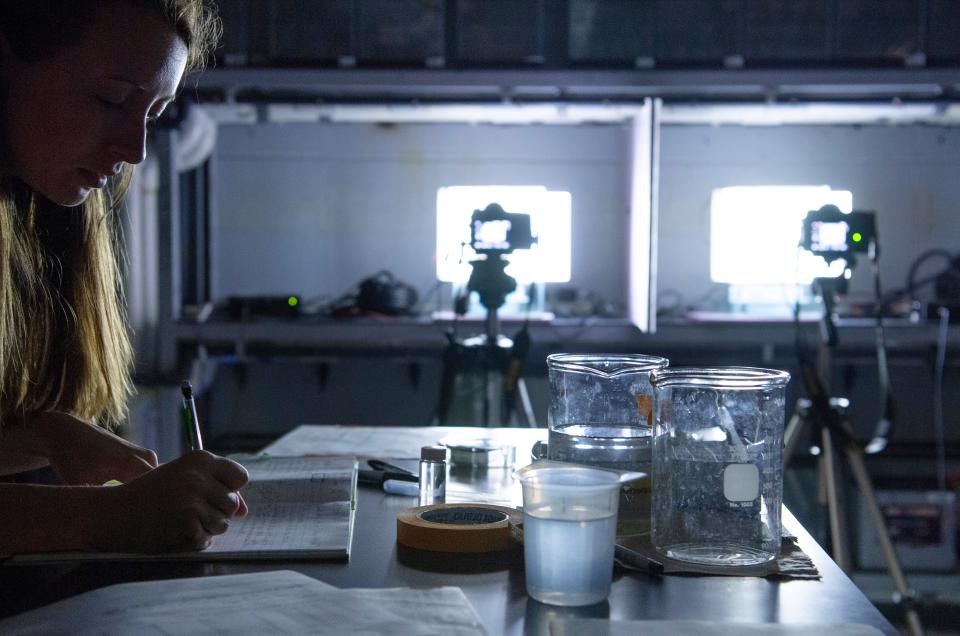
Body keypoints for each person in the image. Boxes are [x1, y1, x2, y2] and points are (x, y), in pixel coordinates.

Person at [0, 0, 249, 554]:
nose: (133, 149)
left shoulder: (40, 215)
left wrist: (43, 437)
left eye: (154, 115)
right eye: (109, 99)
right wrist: (112, 515)